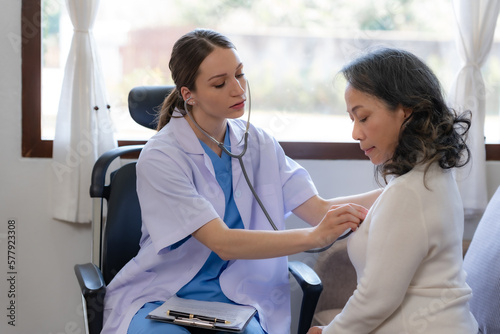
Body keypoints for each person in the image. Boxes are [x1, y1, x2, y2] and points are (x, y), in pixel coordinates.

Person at [101, 29, 381, 334]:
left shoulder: (258, 143)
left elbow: (318, 209)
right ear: (188, 94)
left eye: (240, 74)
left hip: (239, 302)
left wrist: (396, 190)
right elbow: (222, 242)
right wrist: (314, 237)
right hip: (163, 296)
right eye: (220, 83)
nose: (238, 90)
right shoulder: (161, 156)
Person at [308, 47, 478, 334]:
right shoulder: (430, 176)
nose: (355, 133)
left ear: (405, 111)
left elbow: (377, 299)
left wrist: (330, 332)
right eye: (352, 120)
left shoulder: (411, 192)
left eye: (363, 117)